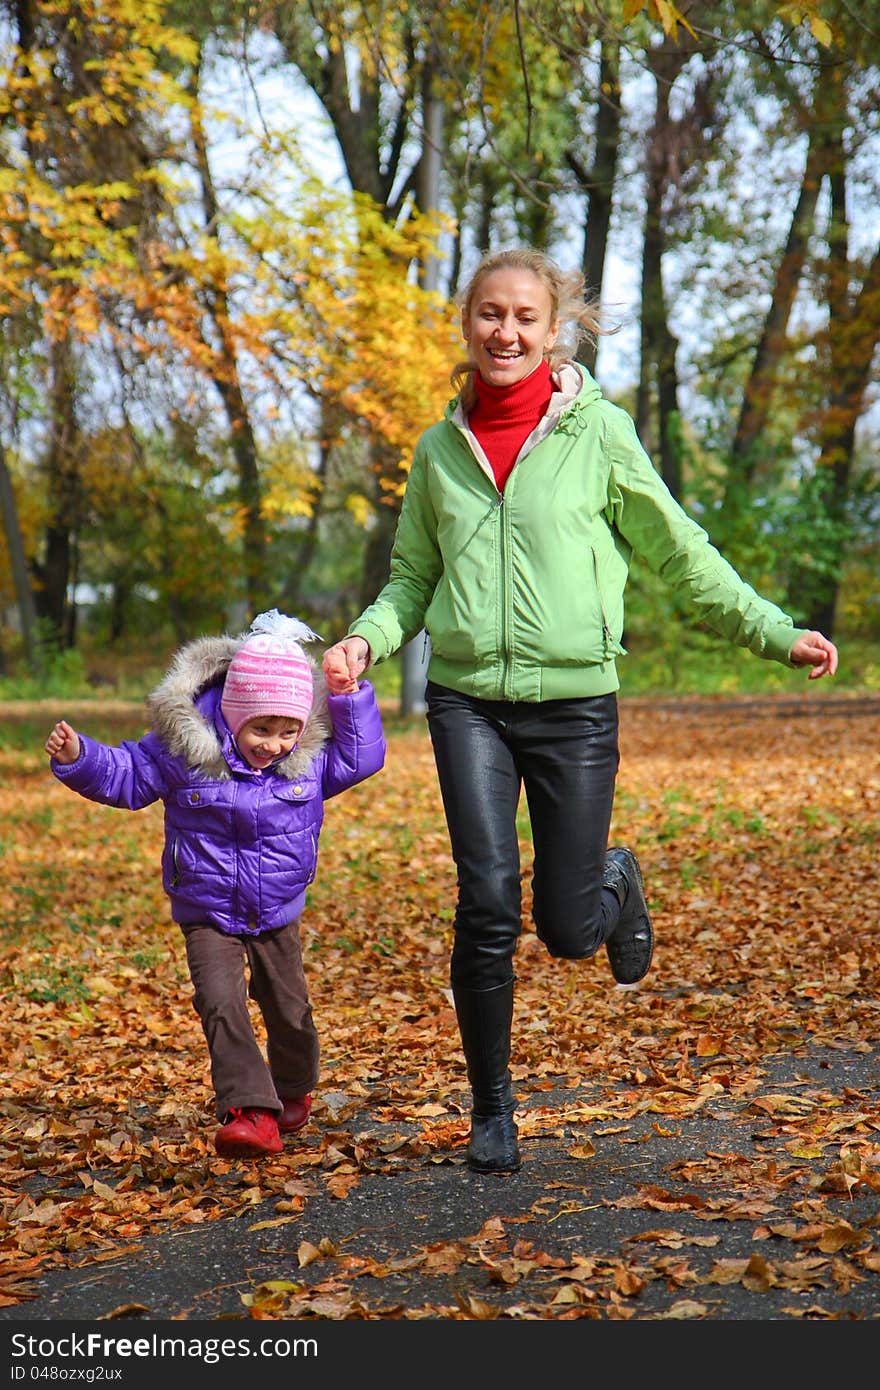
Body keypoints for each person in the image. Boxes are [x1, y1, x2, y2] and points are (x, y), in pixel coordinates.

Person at [322, 246, 839, 1177]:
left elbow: (679, 551)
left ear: (553, 330)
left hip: (575, 706)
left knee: (565, 929)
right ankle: (492, 1110)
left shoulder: (598, 434)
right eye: (489, 314)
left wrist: (773, 630)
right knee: (484, 901)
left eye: (524, 317)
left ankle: (611, 876)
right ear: (467, 323)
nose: (505, 332)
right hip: (466, 701)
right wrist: (366, 639)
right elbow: (409, 579)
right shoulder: (439, 450)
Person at [46, 610, 386, 1159]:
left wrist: (348, 698)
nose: (273, 744)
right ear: (232, 714)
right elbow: (128, 775)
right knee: (220, 1003)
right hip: (206, 907)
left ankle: (292, 1085)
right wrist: (80, 758)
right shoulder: (186, 752)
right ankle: (249, 1110)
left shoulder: (306, 762)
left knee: (289, 1008)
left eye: (287, 730)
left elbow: (362, 755)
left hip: (277, 907)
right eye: (261, 729)